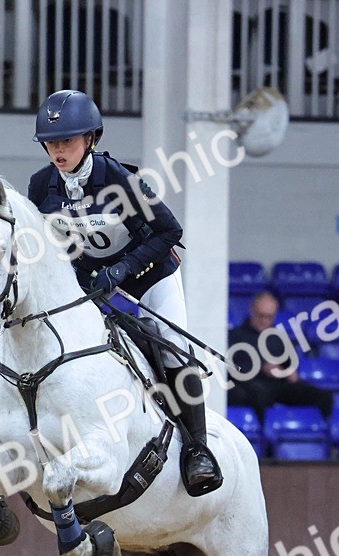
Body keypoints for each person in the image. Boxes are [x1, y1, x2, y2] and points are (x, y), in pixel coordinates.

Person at [27, 88, 221, 497]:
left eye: (67, 141)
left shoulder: (119, 180)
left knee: (171, 348)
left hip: (149, 275)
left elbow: (170, 231)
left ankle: (199, 451)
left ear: (90, 139)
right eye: (51, 143)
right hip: (94, 283)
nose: (58, 150)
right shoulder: (41, 186)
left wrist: (121, 269)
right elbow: (45, 248)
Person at [228, 290, 333, 420]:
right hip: (250, 385)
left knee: (323, 396)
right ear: (251, 310)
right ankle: (266, 435)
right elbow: (232, 369)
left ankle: (315, 431)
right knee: (257, 393)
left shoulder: (279, 337)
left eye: (269, 317)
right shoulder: (235, 336)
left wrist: (289, 372)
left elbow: (290, 366)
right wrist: (263, 368)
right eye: (261, 316)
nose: (265, 321)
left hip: (278, 385)